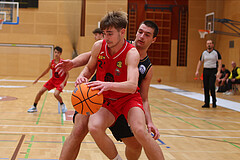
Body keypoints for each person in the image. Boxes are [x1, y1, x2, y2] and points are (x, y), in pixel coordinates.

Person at [58, 20, 161, 159]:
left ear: (154, 39)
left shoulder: (145, 67)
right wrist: (73, 63)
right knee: (79, 129)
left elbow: (143, 98)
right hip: (98, 93)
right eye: (140, 32)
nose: (142, 36)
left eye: (147, 35)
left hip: (124, 98)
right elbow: (90, 56)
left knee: (136, 144)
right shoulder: (118, 42)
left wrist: (149, 121)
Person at [27, 46, 69, 113]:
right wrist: (38, 78)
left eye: (58, 53)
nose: (56, 54)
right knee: (40, 91)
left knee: (56, 94)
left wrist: (63, 83)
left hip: (60, 82)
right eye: (55, 52)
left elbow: (67, 74)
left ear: (60, 53)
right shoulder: (51, 63)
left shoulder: (63, 63)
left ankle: (62, 104)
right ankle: (34, 106)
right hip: (53, 80)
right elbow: (46, 71)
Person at [195, 40, 222, 108]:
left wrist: (218, 71)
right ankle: (206, 103)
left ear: (212, 44)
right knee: (206, 87)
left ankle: (214, 101)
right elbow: (200, 61)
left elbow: (220, 62)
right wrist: (197, 70)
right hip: (206, 70)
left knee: (211, 86)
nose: (209, 45)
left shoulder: (216, 53)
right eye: (207, 43)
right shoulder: (204, 53)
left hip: (213, 70)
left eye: (210, 43)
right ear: (206, 45)